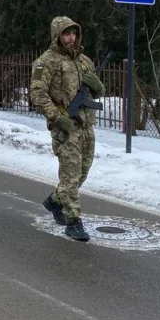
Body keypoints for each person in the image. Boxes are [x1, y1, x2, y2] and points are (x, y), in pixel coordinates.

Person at [29, 16, 105, 242]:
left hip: (86, 126)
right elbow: (37, 94)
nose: (71, 38)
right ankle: (73, 222)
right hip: (66, 127)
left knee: (82, 173)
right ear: (57, 36)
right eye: (66, 34)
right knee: (70, 177)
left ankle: (55, 200)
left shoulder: (85, 62)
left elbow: (97, 93)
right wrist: (57, 118)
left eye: (74, 33)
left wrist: (97, 86)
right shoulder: (45, 62)